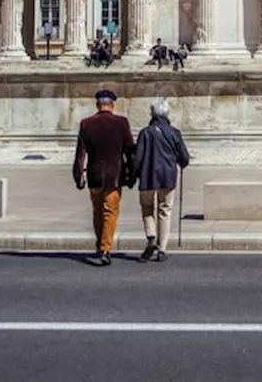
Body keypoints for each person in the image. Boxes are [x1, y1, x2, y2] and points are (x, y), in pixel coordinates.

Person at [72, 89, 135, 266]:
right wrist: (132, 174)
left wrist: (78, 175)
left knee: (98, 211)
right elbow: (129, 151)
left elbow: (80, 154)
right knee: (110, 211)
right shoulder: (121, 123)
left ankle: (101, 244)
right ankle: (106, 248)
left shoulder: (87, 123)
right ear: (113, 105)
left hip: (95, 174)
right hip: (115, 175)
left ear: (97, 104)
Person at [133, 98, 191, 263]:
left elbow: (138, 158)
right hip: (168, 176)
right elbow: (184, 157)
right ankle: (162, 249)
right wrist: (182, 163)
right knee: (164, 210)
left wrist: (134, 175)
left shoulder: (145, 132)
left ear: (152, 113)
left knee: (147, 207)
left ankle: (151, 235)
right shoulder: (174, 132)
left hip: (147, 176)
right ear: (167, 114)